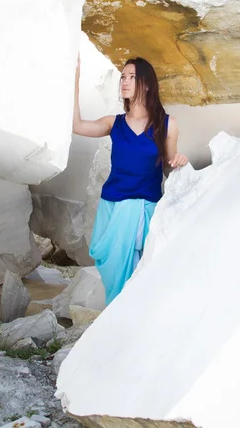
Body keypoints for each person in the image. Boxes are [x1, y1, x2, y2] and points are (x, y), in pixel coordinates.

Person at [73, 55, 188, 304]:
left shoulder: (167, 125)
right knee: (114, 273)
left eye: (132, 77)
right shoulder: (114, 123)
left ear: (146, 84)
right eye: (123, 77)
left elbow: (169, 168)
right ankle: (114, 326)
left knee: (141, 279)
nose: (124, 81)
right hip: (112, 208)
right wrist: (75, 80)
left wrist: (179, 161)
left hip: (145, 210)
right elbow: (78, 126)